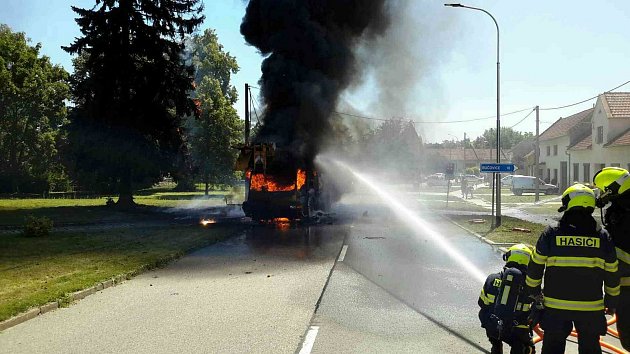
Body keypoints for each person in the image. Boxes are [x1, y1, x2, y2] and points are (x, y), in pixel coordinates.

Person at [525, 183, 620, 354]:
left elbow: (535, 266)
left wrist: (534, 292)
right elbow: (612, 272)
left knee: (552, 348)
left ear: (569, 204)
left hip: (556, 308)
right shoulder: (603, 236)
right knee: (590, 348)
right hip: (591, 308)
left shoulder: (551, 234)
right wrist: (612, 302)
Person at [593, 167, 630, 350]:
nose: (601, 195)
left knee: (628, 339)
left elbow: (613, 254)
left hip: (626, 287)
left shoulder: (619, 215)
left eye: (602, 190)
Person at [479, 244, 535, 354]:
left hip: (493, 326)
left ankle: (496, 345)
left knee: (485, 314)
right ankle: (521, 348)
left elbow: (481, 303)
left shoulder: (492, 278)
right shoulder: (530, 286)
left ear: (508, 257)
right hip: (516, 330)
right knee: (528, 348)